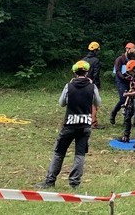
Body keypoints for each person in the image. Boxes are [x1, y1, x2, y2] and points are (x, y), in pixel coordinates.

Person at [37, 60, 101, 190]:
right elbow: (97, 102)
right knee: (80, 154)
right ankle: (74, 183)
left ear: (74, 72)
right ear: (87, 72)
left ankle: (50, 181)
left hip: (69, 125)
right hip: (85, 126)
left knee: (59, 153)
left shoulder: (69, 86)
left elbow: (62, 103)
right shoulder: (92, 87)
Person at [110, 42, 135, 124]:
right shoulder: (120, 59)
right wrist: (124, 77)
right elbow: (117, 71)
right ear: (126, 49)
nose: (130, 52)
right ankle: (113, 113)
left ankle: (126, 119)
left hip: (130, 81)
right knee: (123, 99)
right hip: (121, 81)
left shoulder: (133, 58)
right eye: (129, 49)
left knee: (130, 100)